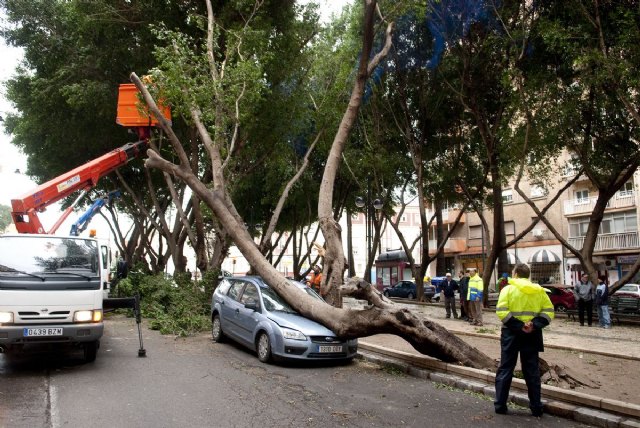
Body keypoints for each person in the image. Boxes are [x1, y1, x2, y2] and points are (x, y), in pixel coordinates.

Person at [494, 263, 554, 417]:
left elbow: (501, 311)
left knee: (506, 368)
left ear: (515, 274)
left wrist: (519, 326)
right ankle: (536, 407)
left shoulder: (507, 289)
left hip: (510, 333)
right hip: (532, 335)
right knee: (532, 371)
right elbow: (548, 312)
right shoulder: (539, 291)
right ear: (527, 275)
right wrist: (533, 325)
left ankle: (500, 405)